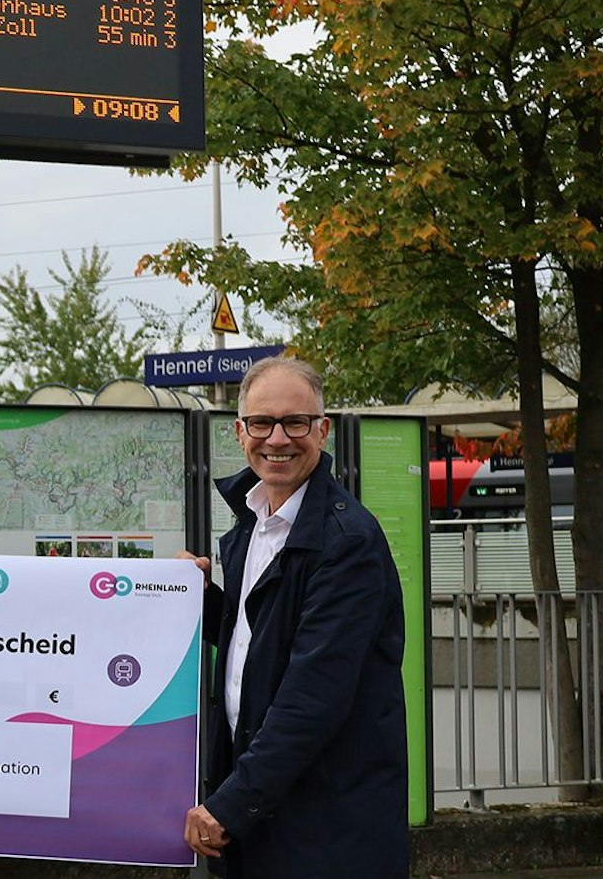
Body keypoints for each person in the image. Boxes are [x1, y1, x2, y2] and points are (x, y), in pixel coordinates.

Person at [181, 356, 407, 877]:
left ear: (322, 431)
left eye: (295, 423)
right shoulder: (253, 525)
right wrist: (194, 597)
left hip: (323, 826)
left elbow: (314, 697)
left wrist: (231, 804)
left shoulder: (346, 543)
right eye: (262, 422)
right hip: (271, 812)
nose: (277, 439)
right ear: (240, 432)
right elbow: (259, 636)